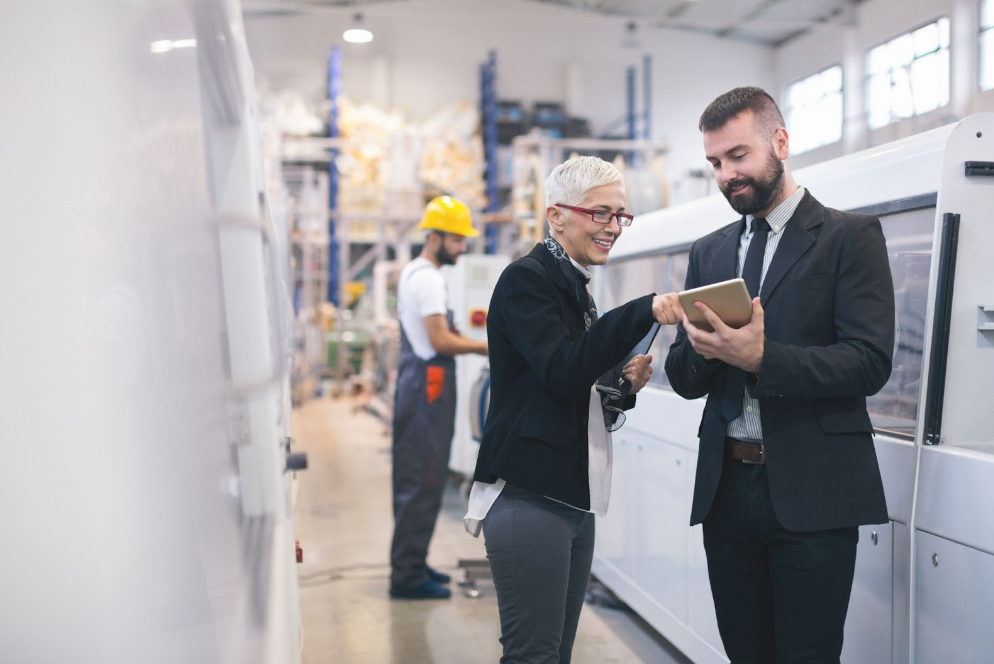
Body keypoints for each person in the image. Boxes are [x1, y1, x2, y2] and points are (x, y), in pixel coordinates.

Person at [665, 87, 895, 663]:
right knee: (746, 653)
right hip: (727, 490)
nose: (726, 175)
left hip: (812, 492)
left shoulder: (849, 238)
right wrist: (706, 350)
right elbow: (685, 376)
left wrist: (762, 359)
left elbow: (869, 361)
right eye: (715, 163)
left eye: (738, 156)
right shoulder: (709, 253)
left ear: (781, 142)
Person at [465, 156, 685, 663]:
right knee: (534, 655)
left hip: (571, 499)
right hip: (529, 497)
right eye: (600, 214)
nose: (613, 227)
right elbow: (562, 368)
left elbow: (572, 392)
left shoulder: (575, 286)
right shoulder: (527, 281)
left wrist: (621, 388)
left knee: (555, 654)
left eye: (620, 216)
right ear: (555, 216)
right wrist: (642, 310)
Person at [389, 195, 489, 600]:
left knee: (419, 476)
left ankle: (413, 561)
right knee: (425, 477)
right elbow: (440, 339)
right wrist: (487, 347)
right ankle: (407, 576)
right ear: (435, 236)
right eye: (457, 239)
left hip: (421, 383)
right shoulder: (428, 279)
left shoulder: (415, 271)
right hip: (428, 384)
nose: (463, 248)